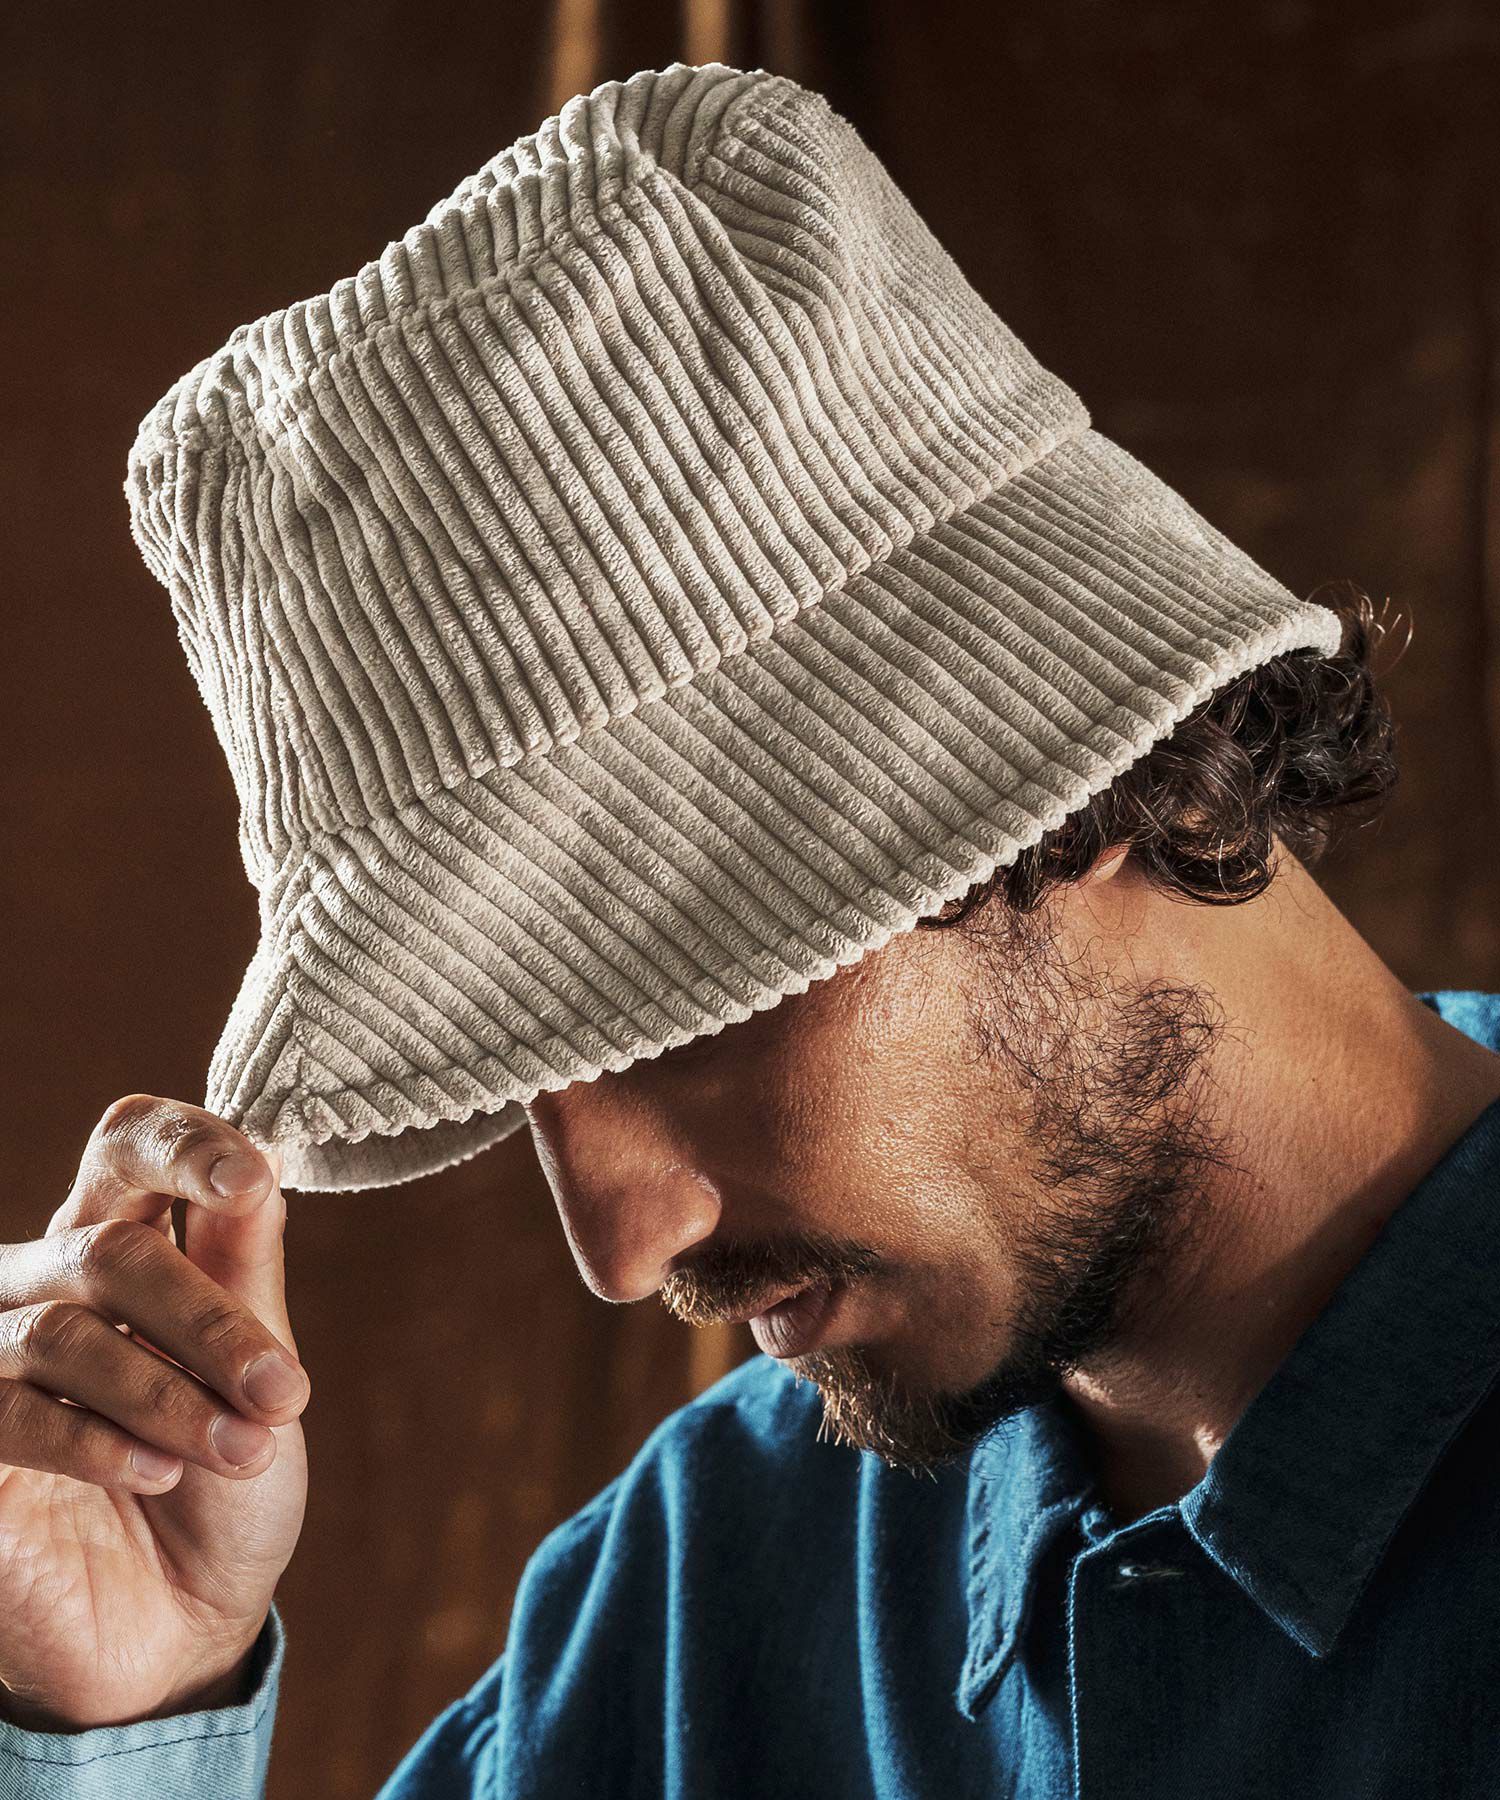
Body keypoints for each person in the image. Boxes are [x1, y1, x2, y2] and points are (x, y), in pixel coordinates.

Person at [2, 58, 1497, 1800]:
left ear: (1077, 770)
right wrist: (125, 1718)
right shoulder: (706, 1578)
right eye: (516, 1071)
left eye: (680, 1000)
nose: (620, 1246)